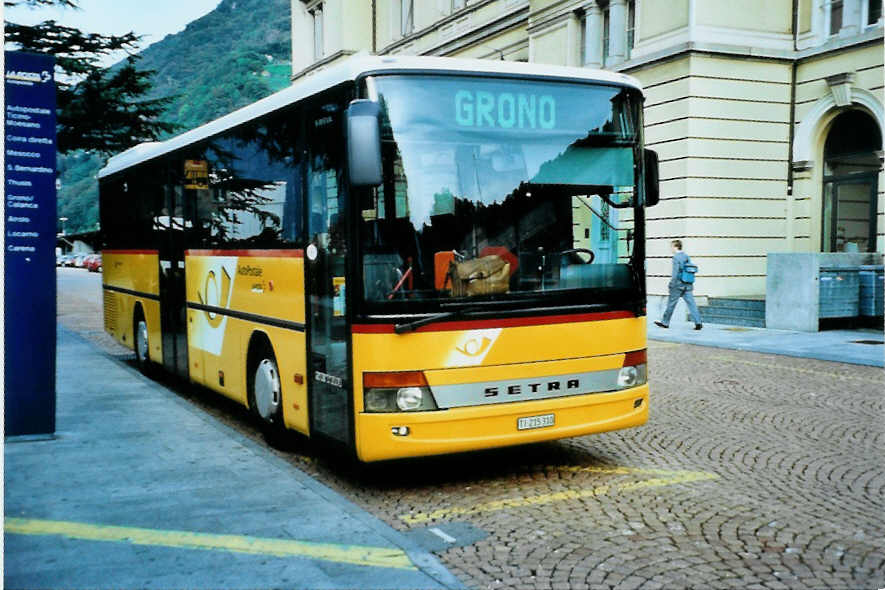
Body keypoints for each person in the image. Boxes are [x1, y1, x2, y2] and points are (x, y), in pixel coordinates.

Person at [655, 239, 702, 330]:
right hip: (688, 284)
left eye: (671, 247)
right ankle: (698, 322)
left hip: (677, 284)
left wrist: (671, 284)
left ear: (675, 246)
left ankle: (665, 322)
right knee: (692, 304)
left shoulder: (676, 257)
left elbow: (675, 272)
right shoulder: (686, 256)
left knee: (671, 304)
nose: (671, 249)